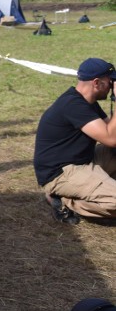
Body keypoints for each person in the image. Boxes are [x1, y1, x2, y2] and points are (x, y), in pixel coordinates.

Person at [33, 57, 116, 223]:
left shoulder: (87, 102)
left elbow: (110, 131)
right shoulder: (73, 105)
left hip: (82, 161)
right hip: (60, 173)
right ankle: (66, 201)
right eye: (110, 82)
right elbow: (111, 139)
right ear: (97, 83)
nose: (112, 86)